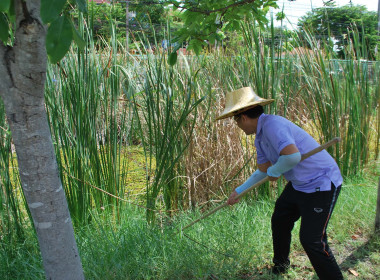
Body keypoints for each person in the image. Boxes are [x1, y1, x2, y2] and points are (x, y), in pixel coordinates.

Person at [217, 87, 343, 279]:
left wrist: (275, 171)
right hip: (299, 184)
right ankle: (281, 267)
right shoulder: (260, 137)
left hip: (321, 181)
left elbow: (292, 157)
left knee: (312, 240)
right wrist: (239, 191)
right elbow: (263, 170)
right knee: (280, 219)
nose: (237, 125)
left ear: (242, 117)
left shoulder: (272, 125)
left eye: (235, 120)